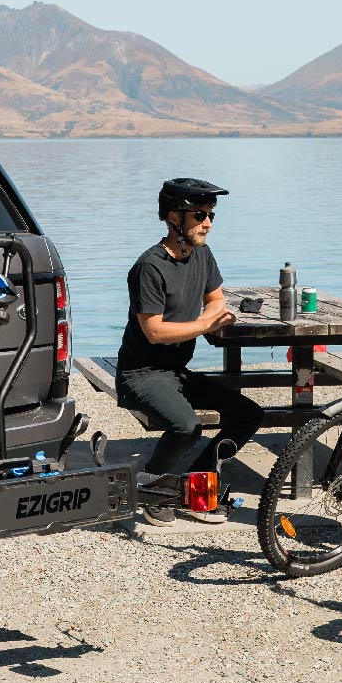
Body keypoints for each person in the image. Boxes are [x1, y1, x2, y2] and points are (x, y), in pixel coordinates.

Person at [115, 177, 263, 526]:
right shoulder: (149, 267)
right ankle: (152, 486)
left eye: (211, 215)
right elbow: (154, 332)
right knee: (187, 427)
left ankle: (198, 482)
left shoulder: (202, 254)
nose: (208, 223)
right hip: (140, 374)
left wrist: (207, 318)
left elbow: (217, 301)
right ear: (173, 218)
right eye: (200, 215)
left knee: (249, 414)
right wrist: (204, 324)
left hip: (176, 372)